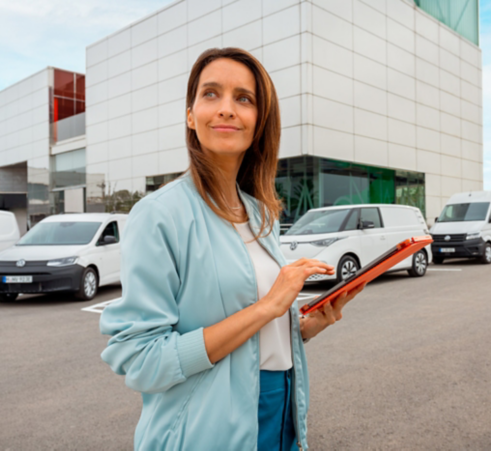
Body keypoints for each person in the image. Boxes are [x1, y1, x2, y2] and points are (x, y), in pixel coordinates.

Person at [99, 47, 365, 450]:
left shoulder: (261, 213)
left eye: (243, 98)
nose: (226, 108)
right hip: (206, 430)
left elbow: (258, 334)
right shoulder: (158, 214)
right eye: (210, 94)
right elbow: (140, 359)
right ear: (190, 115)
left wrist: (306, 324)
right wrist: (266, 308)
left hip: (283, 413)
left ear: (259, 122)